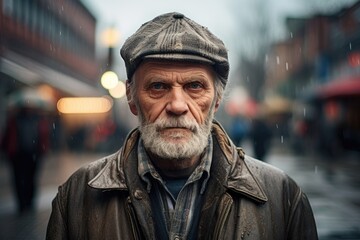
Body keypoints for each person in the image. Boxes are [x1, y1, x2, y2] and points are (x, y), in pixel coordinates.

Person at [46, 12, 318, 239]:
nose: (177, 105)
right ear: (131, 97)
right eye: (158, 86)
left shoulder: (283, 198)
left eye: (195, 86)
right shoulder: (77, 196)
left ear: (217, 99)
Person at [1, 107, 50, 214]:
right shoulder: (14, 120)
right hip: (18, 154)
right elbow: (7, 137)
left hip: (33, 154)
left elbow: (44, 136)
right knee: (19, 179)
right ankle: (22, 203)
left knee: (31, 178)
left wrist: (42, 149)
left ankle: (29, 201)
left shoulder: (39, 120)